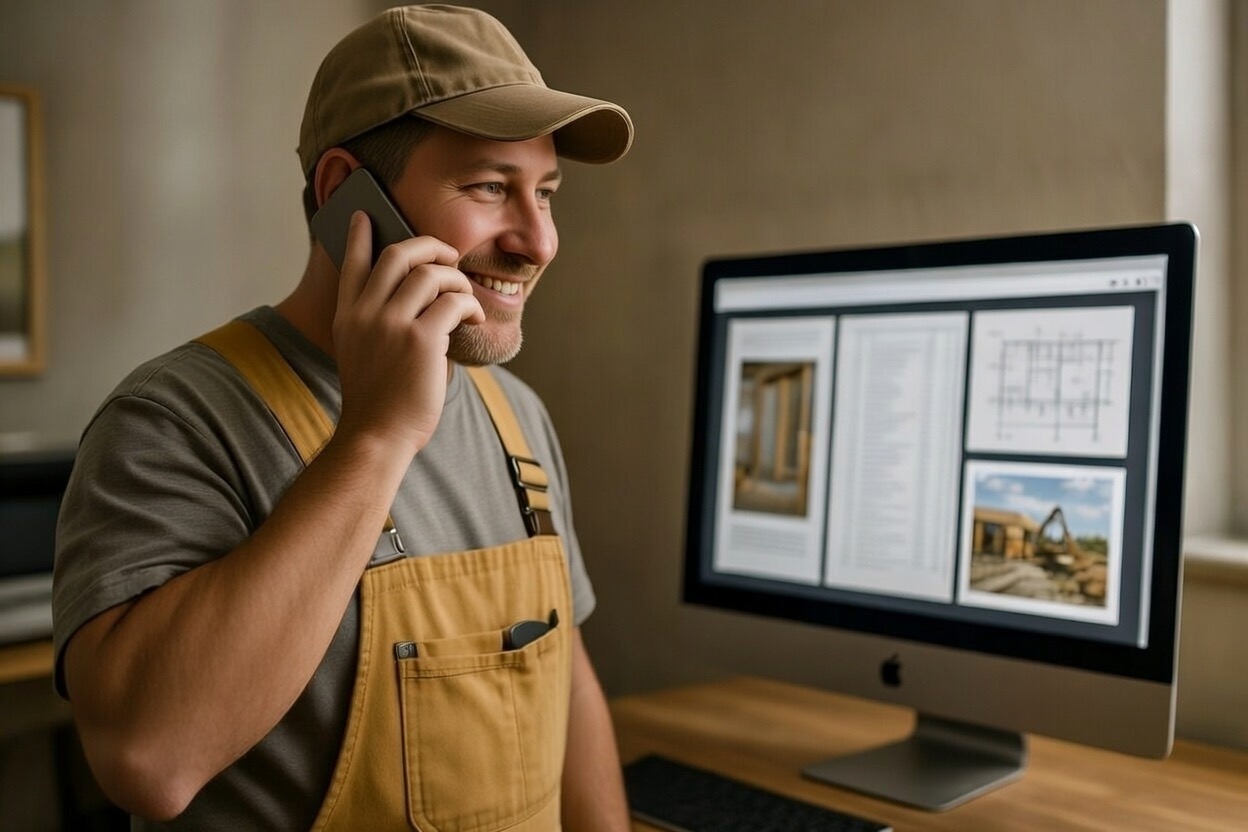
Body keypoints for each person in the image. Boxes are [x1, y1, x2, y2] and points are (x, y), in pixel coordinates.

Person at [51, 5, 634, 830]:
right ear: (344, 196)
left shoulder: (519, 417)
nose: (539, 242)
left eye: (545, 194)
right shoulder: (172, 420)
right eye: (490, 187)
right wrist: (376, 437)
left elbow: (567, 687)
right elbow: (149, 762)